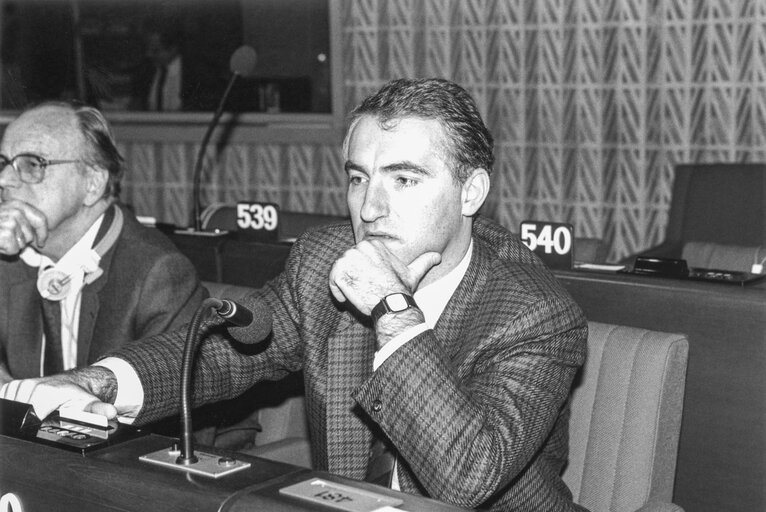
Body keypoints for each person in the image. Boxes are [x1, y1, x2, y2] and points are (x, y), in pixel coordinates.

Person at [1, 79, 587, 511]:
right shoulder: (322, 263)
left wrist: (392, 310)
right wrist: (94, 382)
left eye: (404, 179)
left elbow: (467, 477)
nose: (371, 207)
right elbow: (222, 354)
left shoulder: (536, 313)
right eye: (359, 178)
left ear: (471, 192)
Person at [0, 101, 206, 384]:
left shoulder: (158, 273)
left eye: (32, 164)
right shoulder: (7, 254)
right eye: (3, 163)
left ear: (93, 183)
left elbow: (175, 405)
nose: (4, 179)